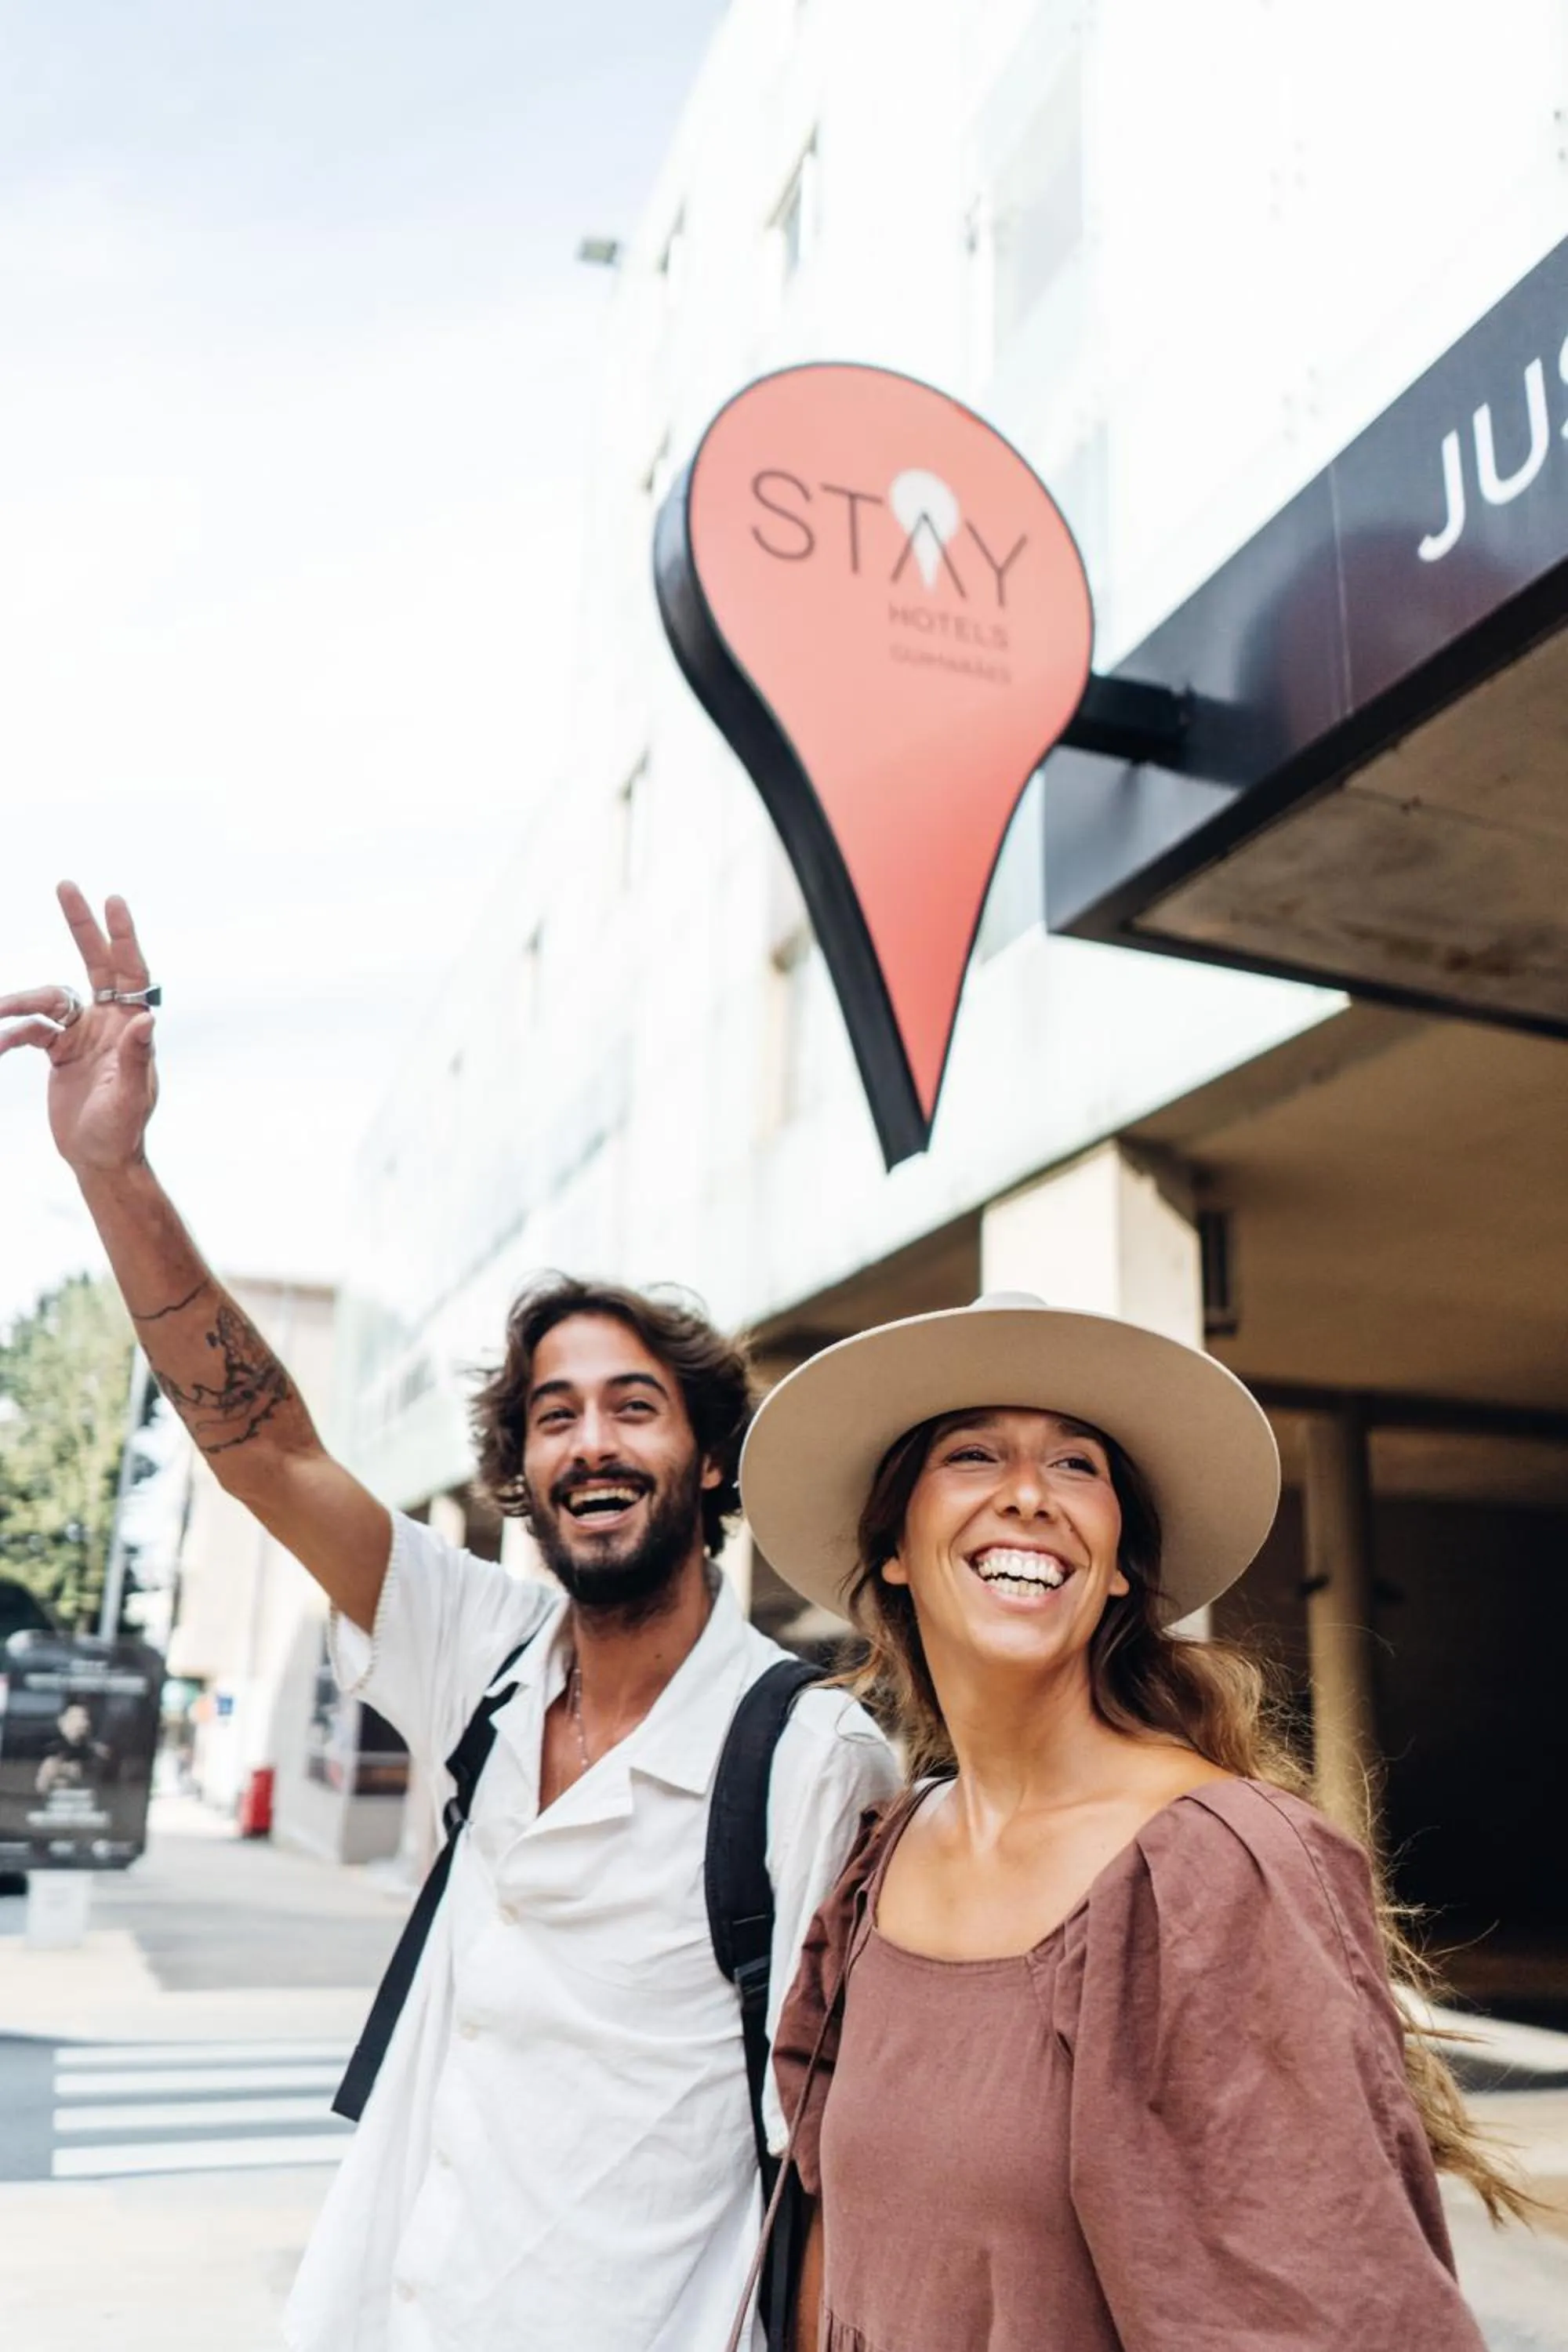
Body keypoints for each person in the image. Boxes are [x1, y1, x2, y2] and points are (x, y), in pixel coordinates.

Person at [0, 884, 897, 2352]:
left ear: (711, 1457)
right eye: (555, 1416)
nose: (591, 1442)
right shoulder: (479, 1652)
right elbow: (270, 1447)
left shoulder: (810, 1759)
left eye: (634, 1408)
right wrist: (115, 1171)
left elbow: (841, 2147)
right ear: (521, 1472)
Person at [736, 1293, 1523, 2352]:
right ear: (893, 1548)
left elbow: (1342, 2320)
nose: (1029, 1494)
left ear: (1115, 1570)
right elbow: (834, 2260)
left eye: (1076, 1466)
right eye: (973, 1456)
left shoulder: (1217, 1866)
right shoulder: (882, 1862)